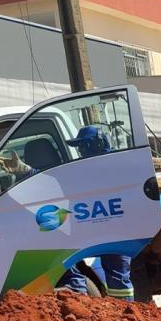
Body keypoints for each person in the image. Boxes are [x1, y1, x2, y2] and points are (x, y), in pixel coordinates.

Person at [57, 125, 135, 301]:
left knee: (118, 278)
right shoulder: (94, 166)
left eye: (83, 146)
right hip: (96, 226)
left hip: (115, 228)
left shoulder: (111, 165)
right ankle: (78, 290)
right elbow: (60, 177)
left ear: (97, 145)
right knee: (64, 257)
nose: (81, 151)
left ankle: (128, 315)